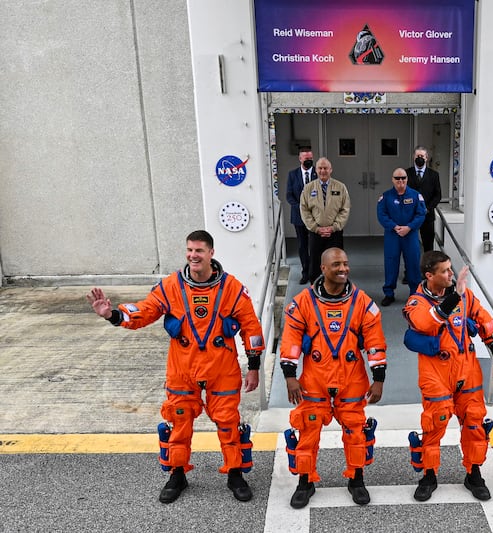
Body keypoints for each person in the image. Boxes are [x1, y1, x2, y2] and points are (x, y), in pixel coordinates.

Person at [86, 230, 264, 504]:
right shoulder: (171, 286)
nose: (193, 255)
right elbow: (144, 311)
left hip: (222, 368)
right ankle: (177, 474)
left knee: (229, 422)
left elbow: (250, 326)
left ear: (211, 254)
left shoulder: (232, 288)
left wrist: (253, 366)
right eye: (190, 250)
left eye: (199, 251)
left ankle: (236, 473)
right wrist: (112, 314)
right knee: (178, 422)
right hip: (183, 369)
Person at [279, 247, 387, 509]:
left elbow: (375, 343)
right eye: (337, 264)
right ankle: (306, 481)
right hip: (314, 378)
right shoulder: (302, 302)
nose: (343, 269)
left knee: (356, 431)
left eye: (346, 264)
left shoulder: (363, 303)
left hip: (352, 377)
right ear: (323, 269)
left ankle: (356, 479)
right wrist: (290, 376)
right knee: (307, 430)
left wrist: (379, 378)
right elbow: (291, 340)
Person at [402, 250, 493, 502]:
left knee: (474, 421)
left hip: (467, 369)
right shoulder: (416, 303)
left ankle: (474, 473)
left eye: (451, 269)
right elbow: (427, 323)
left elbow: (485, 322)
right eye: (445, 271)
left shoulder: (465, 296)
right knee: (434, 423)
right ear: (429, 275)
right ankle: (428, 476)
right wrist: (455, 296)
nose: (451, 274)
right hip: (436, 371)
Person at [376, 168, 427, 306]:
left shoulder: (416, 196)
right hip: (393, 235)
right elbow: (381, 214)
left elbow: (421, 214)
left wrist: (409, 227)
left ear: (407, 179)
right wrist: (394, 226)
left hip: (410, 235)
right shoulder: (386, 196)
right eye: (397, 178)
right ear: (392, 179)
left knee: (413, 263)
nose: (400, 181)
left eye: (403, 178)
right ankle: (389, 293)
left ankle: (415, 294)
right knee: (391, 263)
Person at [300, 157, 350, 282]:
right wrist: (316, 228)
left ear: (330, 170)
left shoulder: (340, 187)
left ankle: (337, 290)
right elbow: (304, 210)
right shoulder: (308, 188)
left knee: (336, 264)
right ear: (316, 170)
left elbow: (345, 209)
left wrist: (334, 227)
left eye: (325, 168)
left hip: (335, 234)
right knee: (315, 265)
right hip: (315, 233)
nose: (323, 171)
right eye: (320, 168)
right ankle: (315, 291)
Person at [286, 147, 317, 284]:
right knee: (303, 246)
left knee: (315, 245)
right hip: (299, 217)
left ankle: (315, 273)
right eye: (306, 158)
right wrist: (300, 207)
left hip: (316, 217)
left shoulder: (318, 172)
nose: (308, 160)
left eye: (310, 158)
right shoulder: (292, 175)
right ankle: (305, 273)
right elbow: (289, 195)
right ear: (300, 159)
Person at [406, 146, 442, 253]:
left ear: (426, 158)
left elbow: (437, 195)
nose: (420, 158)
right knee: (409, 246)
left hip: (427, 216)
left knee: (428, 246)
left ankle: (428, 268)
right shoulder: (406, 173)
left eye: (422, 156)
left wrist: (427, 208)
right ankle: (410, 269)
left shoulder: (434, 175)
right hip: (410, 216)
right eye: (417, 156)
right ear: (413, 157)